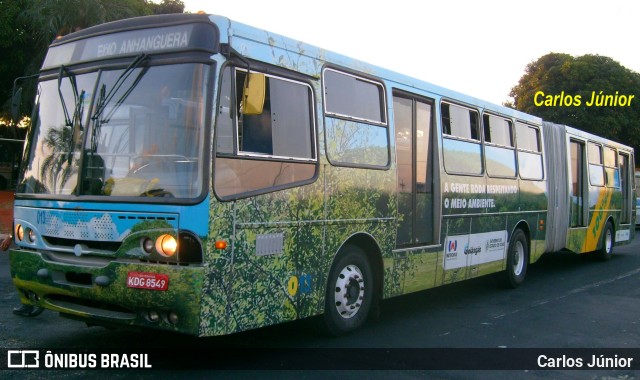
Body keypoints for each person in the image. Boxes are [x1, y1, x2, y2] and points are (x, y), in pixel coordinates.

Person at [1, 234, 44, 317]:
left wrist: (9, 237)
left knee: (27, 269)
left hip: (31, 238)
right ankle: (32, 302)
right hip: (29, 238)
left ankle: (31, 303)